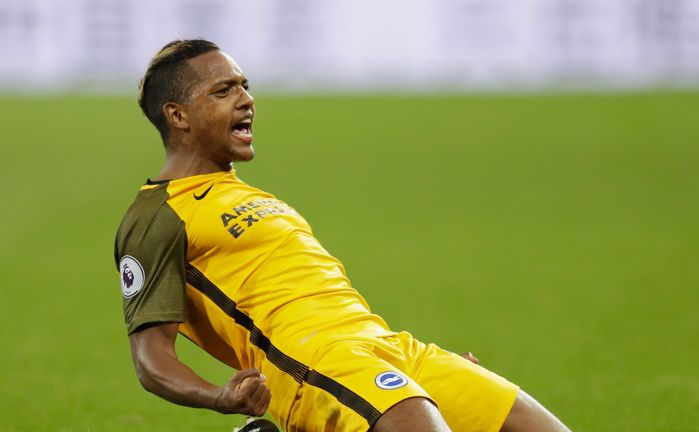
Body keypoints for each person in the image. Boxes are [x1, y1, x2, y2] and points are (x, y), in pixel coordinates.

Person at [114, 39, 571, 432]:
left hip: (388, 348)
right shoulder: (158, 215)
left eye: (245, 86)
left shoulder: (245, 194)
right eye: (223, 90)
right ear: (179, 115)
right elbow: (150, 360)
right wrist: (219, 396)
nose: (246, 99)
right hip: (316, 363)